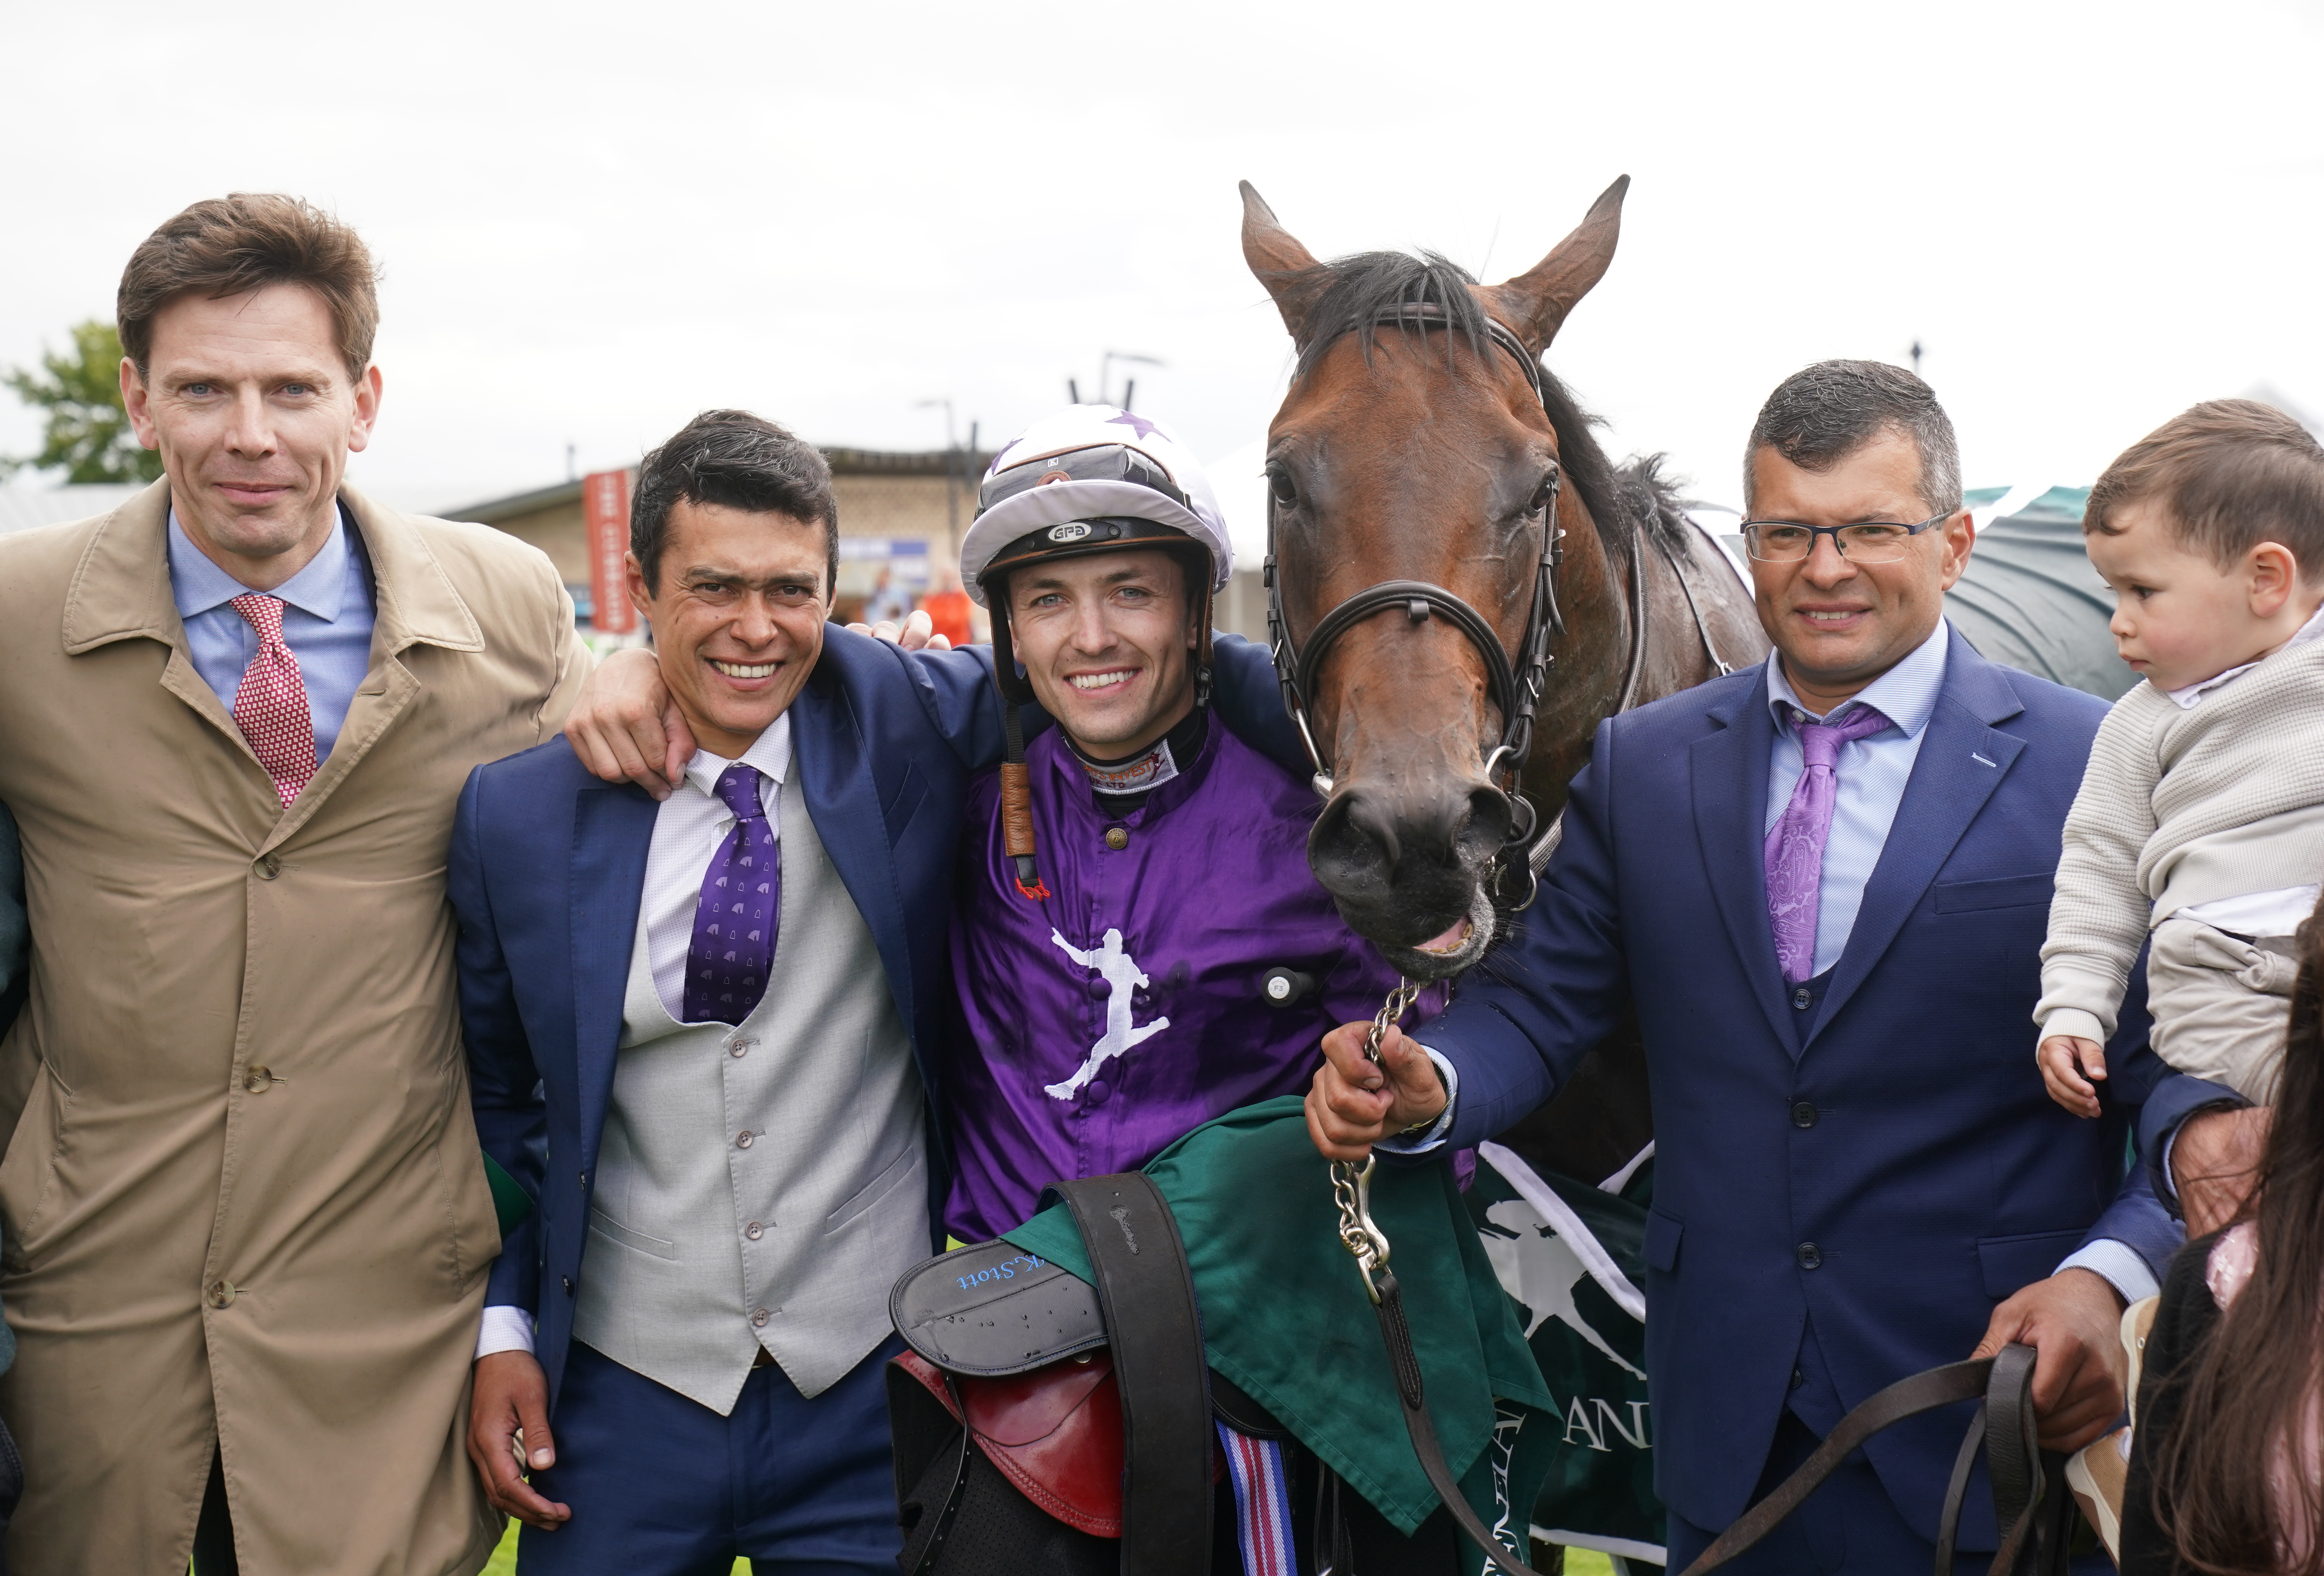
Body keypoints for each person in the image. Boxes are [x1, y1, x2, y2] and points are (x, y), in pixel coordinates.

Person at [1306, 360, 2224, 1573]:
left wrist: (2104, 1281)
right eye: (1787, 531)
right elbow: (1540, 1008)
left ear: (1951, 542)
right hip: (1730, 1432)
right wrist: (1434, 1083)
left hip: (1988, 1415)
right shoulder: (1646, 763)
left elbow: (2183, 1079)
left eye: (1868, 530)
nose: (1825, 565)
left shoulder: (2091, 762)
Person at [452, 409, 1303, 1573]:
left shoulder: (903, 718)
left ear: (831, 591)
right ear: (639, 588)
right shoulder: (516, 819)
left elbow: (1131, 666)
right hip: (619, 1399)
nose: (756, 628)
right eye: (712, 588)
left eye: (791, 590)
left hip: (874, 1382)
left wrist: (1335, 715)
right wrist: (503, 1325)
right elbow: (503, 1107)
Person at [0, 194, 596, 1573]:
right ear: (139, 400)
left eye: (292, 389)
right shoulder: (18, 621)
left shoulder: (506, 607)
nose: (249, 435)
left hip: (382, 1340)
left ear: (364, 401)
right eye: (203, 389)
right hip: (96, 1314)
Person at [939, 404, 1432, 1241]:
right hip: (996, 1329)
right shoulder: (951, 813)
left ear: (1198, 613)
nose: (1092, 638)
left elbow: (1418, 1127)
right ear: (1012, 632)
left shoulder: (1329, 845)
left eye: (1131, 591)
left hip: (1238, 1338)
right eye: (1049, 599)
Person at [2037, 401, 2324, 1116]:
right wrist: (2073, 1008)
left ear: (2264, 579)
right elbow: (2097, 870)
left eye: (2142, 591)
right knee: (2291, 1110)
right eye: (2113, 592)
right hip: (2218, 977)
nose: (2118, 620)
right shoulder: (2143, 722)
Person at [919, 563, 976, 649]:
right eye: (945, 578)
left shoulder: (963, 597)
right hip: (938, 645)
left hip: (960, 644)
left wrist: (947, 619)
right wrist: (949, 618)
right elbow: (928, 618)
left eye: (950, 578)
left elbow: (963, 619)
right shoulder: (932, 597)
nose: (948, 581)